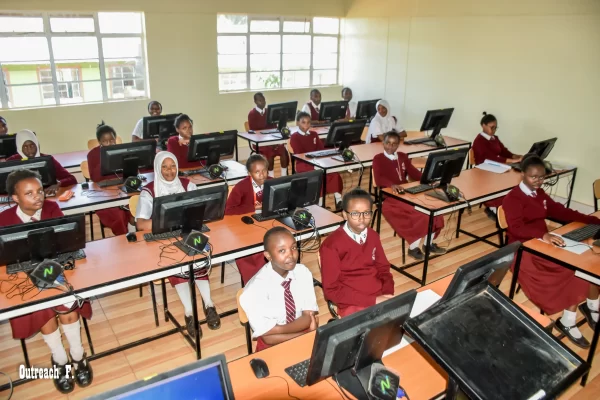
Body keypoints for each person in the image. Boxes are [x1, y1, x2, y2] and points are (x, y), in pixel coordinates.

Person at [0, 169, 92, 393]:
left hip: (54, 268)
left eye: (40, 191)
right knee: (42, 308)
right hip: (21, 275)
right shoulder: (3, 219)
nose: (38, 196)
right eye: (29, 193)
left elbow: (66, 242)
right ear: (15, 198)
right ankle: (59, 360)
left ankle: (78, 356)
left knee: (66, 299)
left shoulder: (52, 208)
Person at [503, 155, 600, 349]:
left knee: (583, 262)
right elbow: (515, 228)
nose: (538, 181)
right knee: (571, 270)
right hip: (522, 250)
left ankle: (590, 306)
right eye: (533, 177)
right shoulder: (513, 198)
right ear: (522, 174)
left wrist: (593, 220)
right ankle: (568, 321)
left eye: (541, 177)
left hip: (542, 244)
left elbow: (559, 211)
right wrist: (543, 234)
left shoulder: (539, 194)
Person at [135, 151, 221, 337]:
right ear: (158, 169)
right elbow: (141, 224)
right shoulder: (149, 191)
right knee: (178, 264)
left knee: (198, 258)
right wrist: (170, 222)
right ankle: (189, 313)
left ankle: (209, 304)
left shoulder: (187, 184)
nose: (169, 171)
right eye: (164, 167)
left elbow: (201, 209)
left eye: (172, 166)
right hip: (163, 238)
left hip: (188, 231)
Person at [240, 227, 319, 351]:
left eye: (293, 247)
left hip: (302, 334)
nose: (291, 255)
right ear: (268, 256)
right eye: (282, 250)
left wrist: (275, 330)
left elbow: (308, 317)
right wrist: (306, 333)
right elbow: (267, 339)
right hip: (271, 347)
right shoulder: (254, 289)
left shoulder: (302, 272)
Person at [320, 188, 395, 317]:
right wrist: (373, 301)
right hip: (351, 301)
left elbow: (383, 268)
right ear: (344, 214)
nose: (362, 219)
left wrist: (388, 293)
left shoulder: (373, 236)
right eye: (355, 214)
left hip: (378, 294)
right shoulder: (331, 245)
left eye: (366, 213)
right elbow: (331, 290)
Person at [372, 131, 446, 260]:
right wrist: (391, 185)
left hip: (406, 192)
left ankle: (428, 244)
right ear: (383, 143)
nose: (391, 146)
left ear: (398, 145)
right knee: (419, 214)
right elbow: (378, 179)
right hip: (390, 196)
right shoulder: (378, 159)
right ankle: (413, 248)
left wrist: (428, 179)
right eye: (388, 143)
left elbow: (413, 172)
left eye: (394, 144)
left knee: (434, 209)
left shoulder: (402, 156)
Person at [225, 154, 270, 284]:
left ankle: (276, 276)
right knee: (257, 251)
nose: (262, 175)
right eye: (257, 172)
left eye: (264, 171)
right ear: (249, 173)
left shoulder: (271, 182)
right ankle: (256, 281)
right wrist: (252, 208)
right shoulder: (242, 187)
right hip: (246, 227)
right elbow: (228, 210)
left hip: (266, 223)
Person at [86, 122, 135, 236]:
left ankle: (133, 234)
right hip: (103, 194)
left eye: (112, 140)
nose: (109, 143)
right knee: (119, 215)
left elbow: (129, 172)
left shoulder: (122, 150)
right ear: (99, 142)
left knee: (136, 206)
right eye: (105, 141)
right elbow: (95, 177)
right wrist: (105, 157)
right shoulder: (92, 155)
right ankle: (124, 239)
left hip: (122, 189)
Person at [473, 112, 523, 219]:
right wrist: (512, 161)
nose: (494, 130)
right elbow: (491, 158)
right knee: (503, 182)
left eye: (495, 127)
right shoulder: (479, 141)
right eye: (492, 127)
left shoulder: (494, 138)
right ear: (483, 125)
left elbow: (504, 152)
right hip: (484, 171)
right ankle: (493, 208)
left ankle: (508, 208)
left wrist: (516, 156)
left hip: (496, 167)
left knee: (512, 180)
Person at [290, 112, 343, 209]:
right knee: (319, 174)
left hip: (317, 161)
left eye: (308, 122)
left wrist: (333, 151)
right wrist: (315, 163)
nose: (306, 125)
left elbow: (321, 149)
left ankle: (339, 199)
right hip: (303, 163)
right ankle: (320, 203)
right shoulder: (294, 137)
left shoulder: (314, 134)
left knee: (333, 172)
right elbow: (299, 154)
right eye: (303, 122)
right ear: (297, 123)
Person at [6, 129, 77, 196]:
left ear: (37, 144)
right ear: (19, 147)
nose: (29, 149)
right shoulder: (12, 161)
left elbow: (71, 179)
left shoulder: (47, 159)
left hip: (45, 196)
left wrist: (59, 183)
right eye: (25, 147)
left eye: (32, 145)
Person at [247, 92, 289, 178]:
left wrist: (275, 141)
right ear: (255, 101)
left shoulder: (269, 112)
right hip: (259, 141)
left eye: (264, 100)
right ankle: (271, 177)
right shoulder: (252, 114)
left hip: (272, 139)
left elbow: (275, 128)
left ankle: (284, 176)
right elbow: (254, 131)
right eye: (260, 100)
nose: (263, 102)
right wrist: (269, 142)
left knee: (283, 151)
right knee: (269, 153)